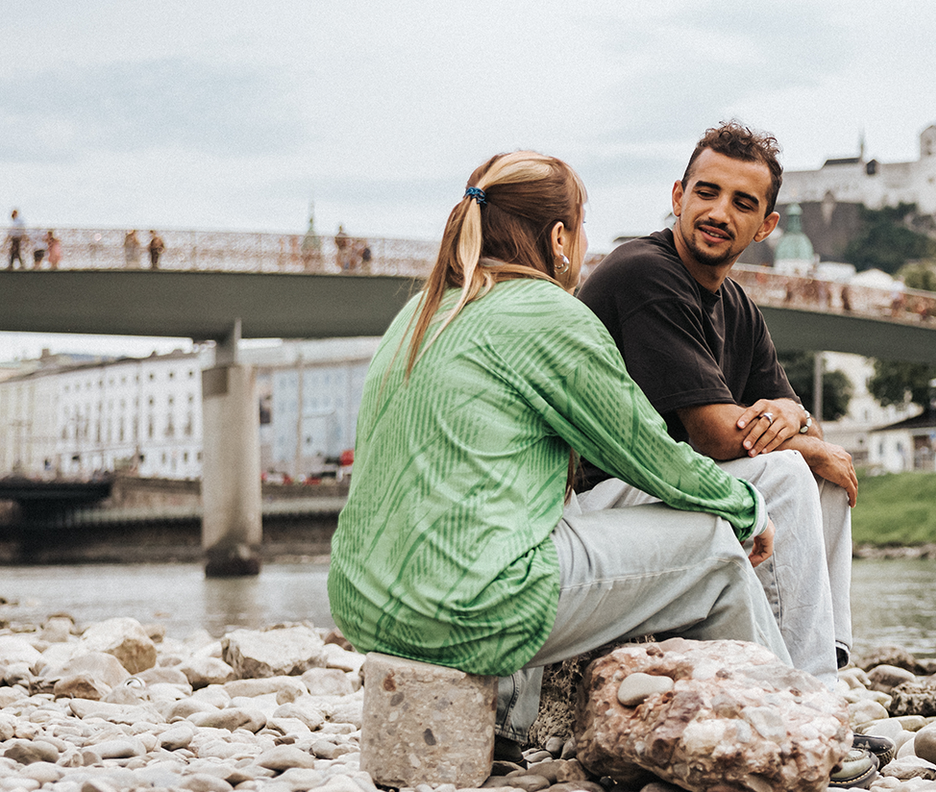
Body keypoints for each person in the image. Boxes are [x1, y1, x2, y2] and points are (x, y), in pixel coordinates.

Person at [326, 151, 804, 767]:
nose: (582, 252)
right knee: (715, 550)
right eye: (581, 230)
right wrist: (745, 509)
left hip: (366, 605)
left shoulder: (423, 313)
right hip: (467, 611)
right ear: (559, 238)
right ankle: (792, 730)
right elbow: (650, 456)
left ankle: (527, 720)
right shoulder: (548, 313)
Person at [573, 121, 861, 686]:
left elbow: (809, 430)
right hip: (592, 505)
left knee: (824, 474)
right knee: (788, 468)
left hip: (668, 493)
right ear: (678, 196)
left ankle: (827, 658)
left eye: (742, 202)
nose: (718, 212)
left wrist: (796, 418)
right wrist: (795, 431)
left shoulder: (736, 305)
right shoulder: (646, 273)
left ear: (766, 226)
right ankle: (807, 692)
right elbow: (714, 434)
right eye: (706, 192)